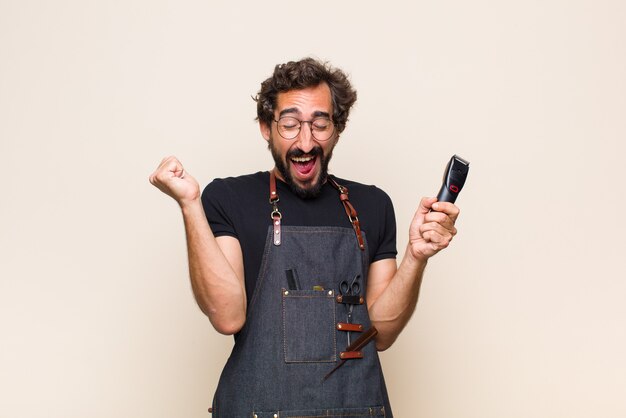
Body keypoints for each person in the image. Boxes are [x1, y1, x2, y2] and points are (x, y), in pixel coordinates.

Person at [149, 58, 459, 418]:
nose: (306, 141)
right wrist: (190, 205)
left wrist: (415, 257)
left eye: (320, 124)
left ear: (337, 129)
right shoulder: (228, 199)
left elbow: (382, 334)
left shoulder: (373, 205)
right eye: (291, 124)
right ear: (267, 127)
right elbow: (227, 317)